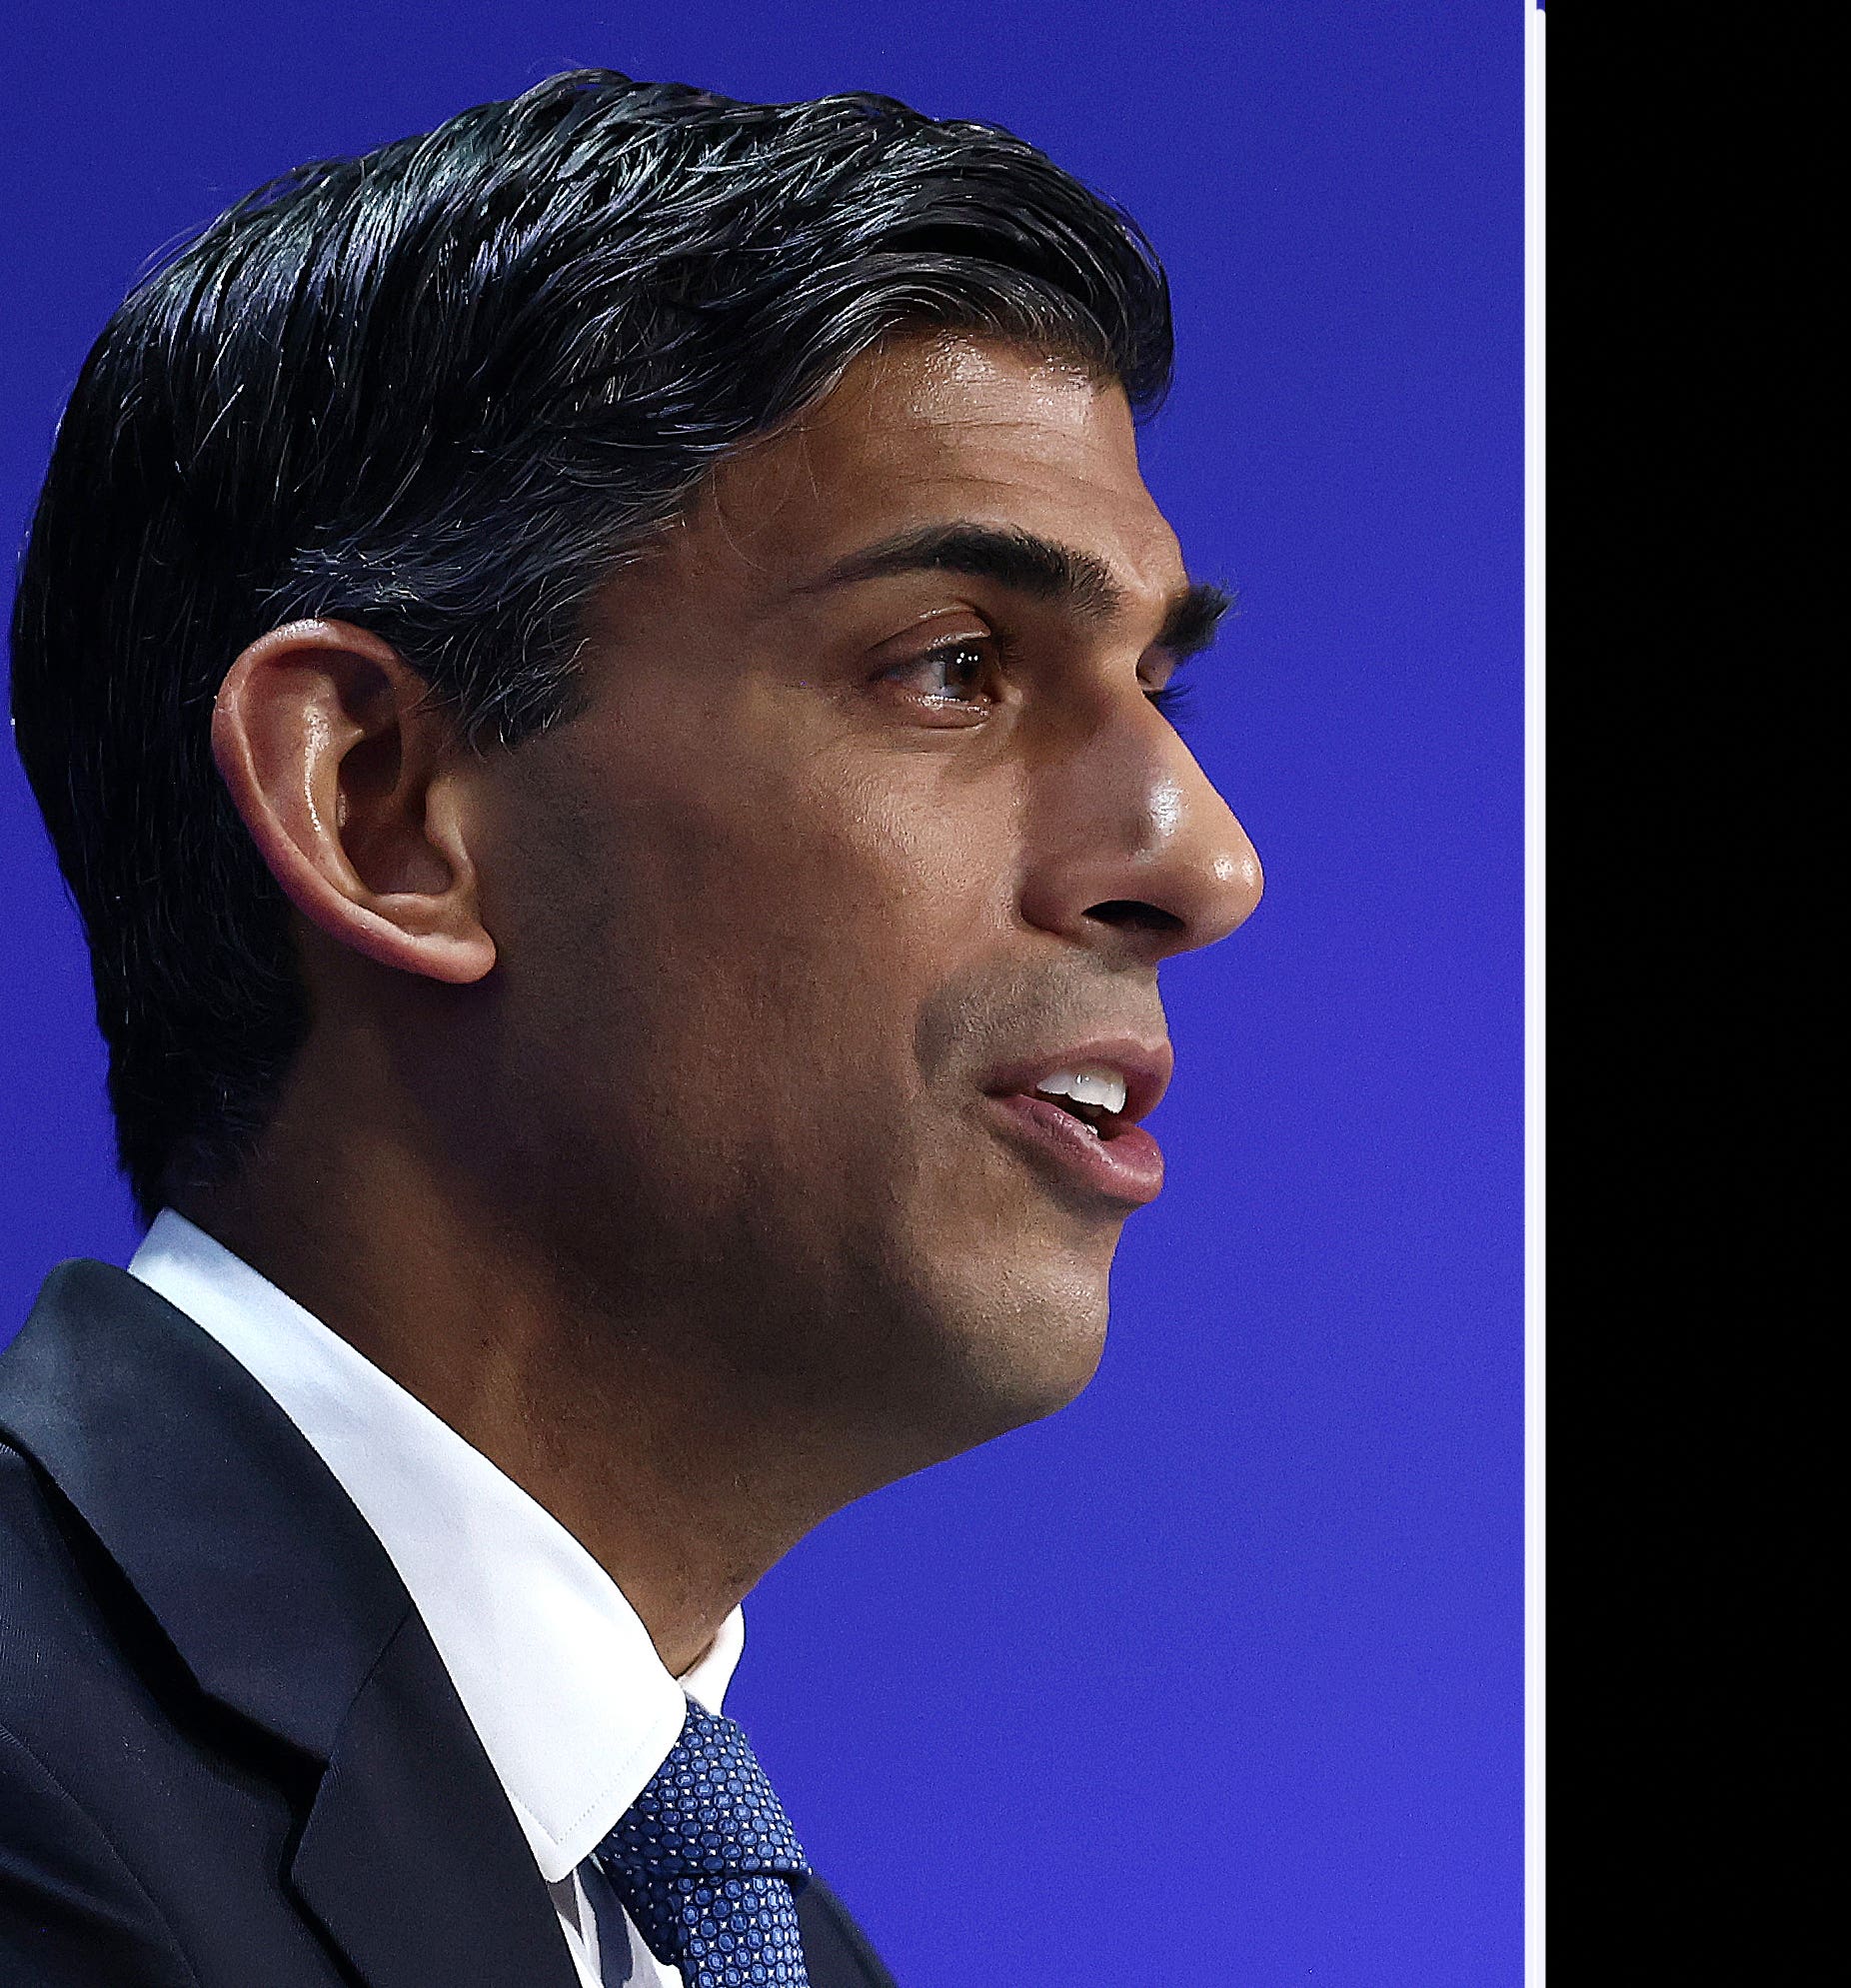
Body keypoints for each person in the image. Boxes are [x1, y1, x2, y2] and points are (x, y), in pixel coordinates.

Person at [0, 69, 1260, 1988]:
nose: (1201, 857)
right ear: (381, 806)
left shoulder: (771, 1948)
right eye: (956, 667)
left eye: (1156, 686)